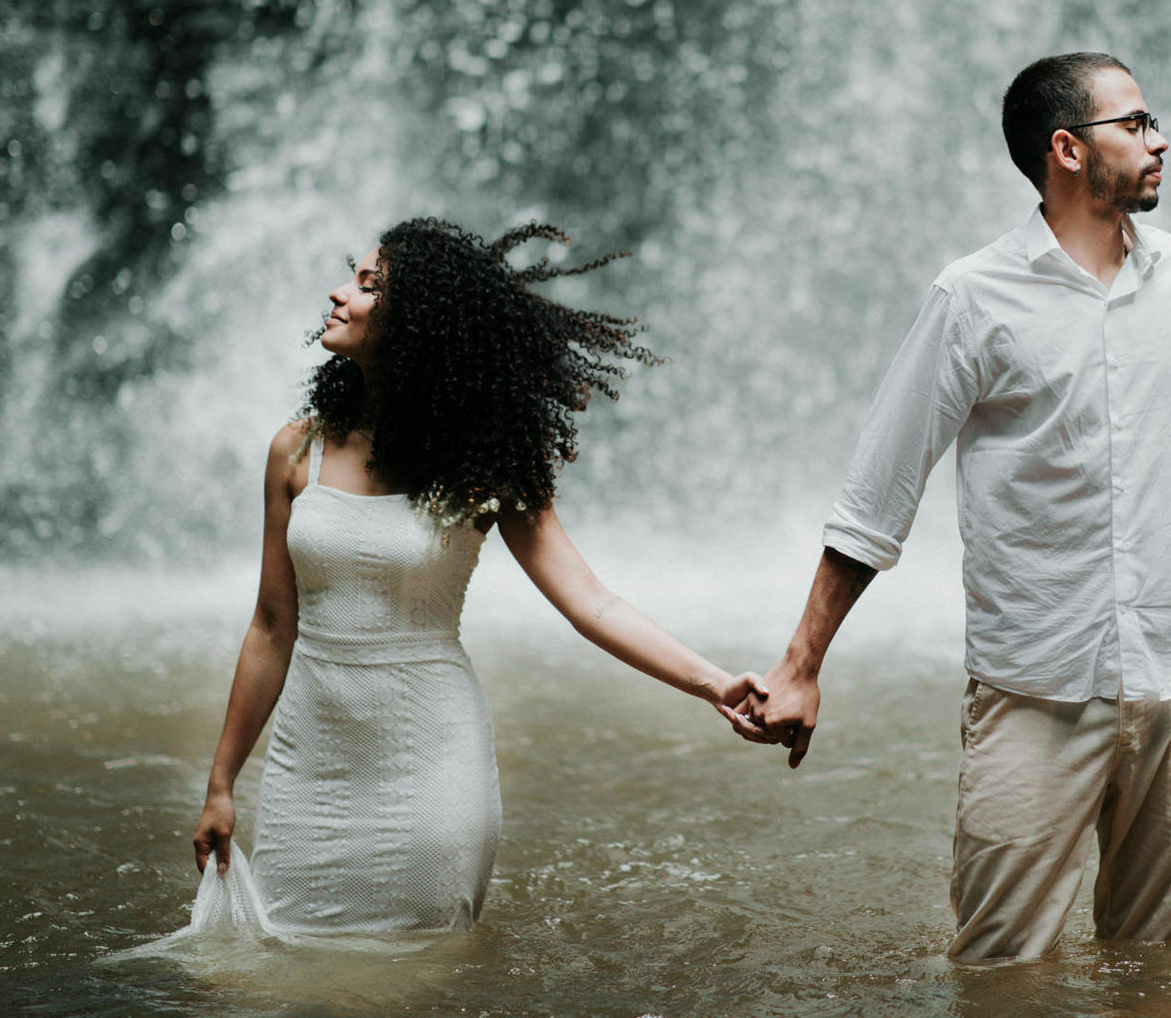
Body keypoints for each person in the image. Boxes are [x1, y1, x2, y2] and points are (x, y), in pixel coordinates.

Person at [736, 53, 1171, 963]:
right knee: (1002, 972)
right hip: (1035, 690)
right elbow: (875, 499)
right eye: (1133, 124)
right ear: (1068, 150)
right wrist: (801, 665)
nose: (1159, 138)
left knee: (1161, 967)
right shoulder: (973, 297)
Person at [175, 217, 765, 941]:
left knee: (421, 982)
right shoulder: (297, 449)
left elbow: (591, 602)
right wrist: (222, 783)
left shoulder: (481, 467)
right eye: (349, 278)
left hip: (430, 767)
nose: (336, 294)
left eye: (365, 286)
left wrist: (713, 684)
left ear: (417, 323)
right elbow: (271, 625)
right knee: (289, 974)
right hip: (310, 772)